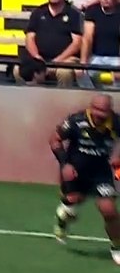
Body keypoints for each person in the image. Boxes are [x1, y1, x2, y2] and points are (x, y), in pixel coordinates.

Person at [51, 94, 120, 264]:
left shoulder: (116, 122)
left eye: (103, 112)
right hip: (75, 170)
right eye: (96, 110)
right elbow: (54, 140)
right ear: (90, 108)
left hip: (101, 173)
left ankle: (117, 247)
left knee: (109, 210)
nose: (99, 116)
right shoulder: (76, 121)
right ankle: (62, 218)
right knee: (73, 201)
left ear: (110, 111)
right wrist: (65, 164)